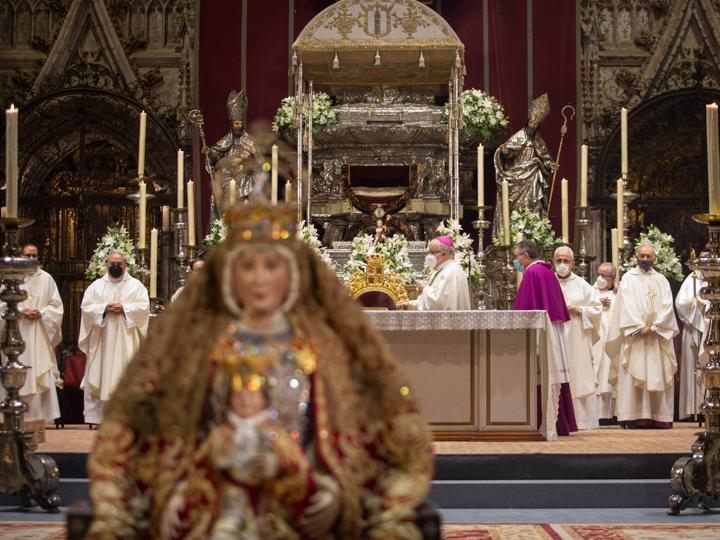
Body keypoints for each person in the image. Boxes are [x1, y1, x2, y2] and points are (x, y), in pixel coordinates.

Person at [86, 202, 434, 539]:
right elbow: (174, 434)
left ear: (291, 272)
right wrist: (173, 490)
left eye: (271, 266)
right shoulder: (203, 345)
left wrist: (336, 492)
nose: (259, 279)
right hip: (216, 499)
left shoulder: (320, 348)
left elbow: (346, 437)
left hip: (302, 501)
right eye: (248, 267)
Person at [606, 241, 679, 428]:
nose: (645, 259)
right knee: (633, 372)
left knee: (658, 372)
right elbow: (625, 305)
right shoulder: (628, 279)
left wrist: (655, 326)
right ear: (636, 257)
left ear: (654, 258)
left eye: (648, 256)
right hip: (635, 335)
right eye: (642, 256)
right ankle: (633, 416)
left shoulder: (661, 280)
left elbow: (667, 305)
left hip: (656, 336)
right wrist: (639, 326)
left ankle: (658, 416)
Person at [513, 239, 577, 437]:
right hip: (553, 330)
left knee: (542, 374)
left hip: (542, 332)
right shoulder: (547, 271)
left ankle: (541, 420)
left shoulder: (532, 273)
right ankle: (562, 422)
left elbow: (526, 307)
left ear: (525, 255)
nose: (516, 261)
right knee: (555, 374)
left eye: (516, 257)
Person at [79, 251, 149, 425]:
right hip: (103, 340)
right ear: (106, 264)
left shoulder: (136, 285)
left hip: (127, 341)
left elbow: (143, 307)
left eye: (120, 264)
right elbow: (86, 308)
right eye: (112, 264)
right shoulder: (96, 286)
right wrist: (103, 308)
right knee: (101, 374)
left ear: (125, 265)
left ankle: (126, 418)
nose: (116, 267)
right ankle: (100, 419)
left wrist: (125, 309)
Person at [0, 243, 63, 422]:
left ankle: (40, 416)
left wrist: (41, 313)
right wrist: (19, 312)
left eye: (34, 256)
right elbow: (2, 304)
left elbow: (56, 307)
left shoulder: (47, 279)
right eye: (27, 255)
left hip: (39, 334)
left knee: (39, 371)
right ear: (21, 255)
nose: (31, 259)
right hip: (17, 333)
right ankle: (15, 414)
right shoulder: (12, 277)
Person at [492, 93, 556, 237]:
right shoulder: (519, 136)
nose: (532, 125)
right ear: (527, 122)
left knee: (533, 203)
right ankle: (514, 232)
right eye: (531, 122)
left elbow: (545, 157)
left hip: (532, 176)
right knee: (515, 207)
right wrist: (505, 151)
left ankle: (532, 232)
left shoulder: (538, 141)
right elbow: (508, 152)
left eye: (535, 124)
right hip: (516, 177)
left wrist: (549, 165)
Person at [554, 246, 602, 430]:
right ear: (553, 261)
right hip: (556, 335)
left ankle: (582, 420)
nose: (562, 264)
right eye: (559, 260)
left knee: (578, 374)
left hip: (577, 336)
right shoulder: (549, 282)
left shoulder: (582, 285)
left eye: (566, 261)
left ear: (573, 263)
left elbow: (597, 310)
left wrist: (579, 310)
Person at [206, 89, 260, 213]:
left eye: (241, 123)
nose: (239, 126)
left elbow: (260, 161)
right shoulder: (225, 141)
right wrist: (210, 152)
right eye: (236, 123)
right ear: (231, 124)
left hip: (245, 178)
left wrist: (246, 161)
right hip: (227, 179)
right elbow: (213, 157)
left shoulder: (249, 141)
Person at [675, 257, 708, 420]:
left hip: (712, 327)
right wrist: (697, 304)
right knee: (692, 367)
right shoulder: (691, 279)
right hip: (693, 328)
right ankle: (692, 408)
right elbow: (681, 303)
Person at [407, 236, 470, 310]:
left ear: (444, 254)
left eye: (432, 252)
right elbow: (429, 302)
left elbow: (440, 303)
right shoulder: (443, 270)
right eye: (428, 252)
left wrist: (424, 288)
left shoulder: (451, 272)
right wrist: (409, 304)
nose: (428, 256)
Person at [592, 262, 619, 419]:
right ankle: (596, 413)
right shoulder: (590, 291)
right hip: (596, 340)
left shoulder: (618, 293)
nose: (600, 278)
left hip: (611, 339)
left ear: (613, 278)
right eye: (599, 274)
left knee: (609, 371)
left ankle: (611, 413)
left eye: (604, 275)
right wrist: (597, 303)